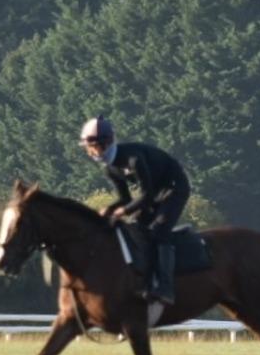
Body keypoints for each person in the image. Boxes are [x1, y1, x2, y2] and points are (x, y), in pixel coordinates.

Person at [80, 115, 190, 305]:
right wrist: (109, 209)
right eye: (89, 147)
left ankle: (166, 288)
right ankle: (144, 282)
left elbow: (145, 196)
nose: (90, 152)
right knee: (138, 230)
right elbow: (126, 198)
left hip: (174, 188)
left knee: (158, 232)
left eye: (93, 147)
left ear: (106, 144)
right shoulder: (110, 168)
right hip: (156, 192)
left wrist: (123, 212)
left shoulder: (133, 160)